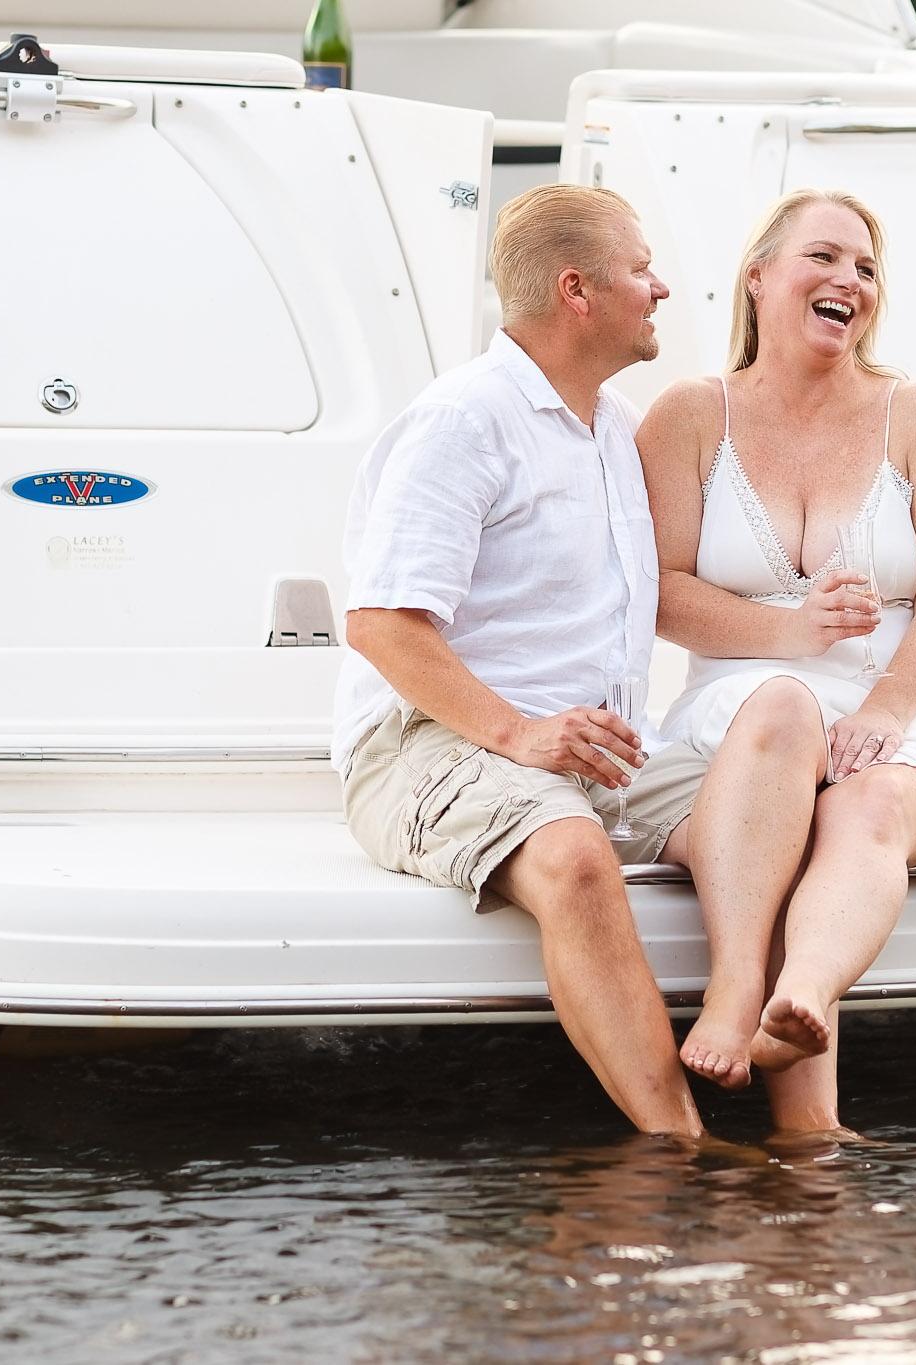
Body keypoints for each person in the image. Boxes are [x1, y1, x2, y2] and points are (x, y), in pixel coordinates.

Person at [636, 189, 916, 1130]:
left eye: (867, 269)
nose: (850, 281)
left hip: (887, 713)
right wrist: (793, 631)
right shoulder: (686, 417)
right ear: (758, 279)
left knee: (867, 804)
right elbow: (658, 591)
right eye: (824, 258)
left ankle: (806, 999)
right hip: (738, 717)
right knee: (784, 711)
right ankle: (742, 990)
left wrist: (888, 709)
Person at [333, 184, 709, 1138]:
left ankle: (764, 1062)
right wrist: (520, 733)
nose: (659, 288)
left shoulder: (616, 429)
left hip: (584, 742)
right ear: (578, 291)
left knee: (765, 807)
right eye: (640, 270)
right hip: (428, 741)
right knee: (575, 855)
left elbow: (663, 597)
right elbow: (381, 624)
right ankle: (683, 1149)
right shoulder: (466, 419)